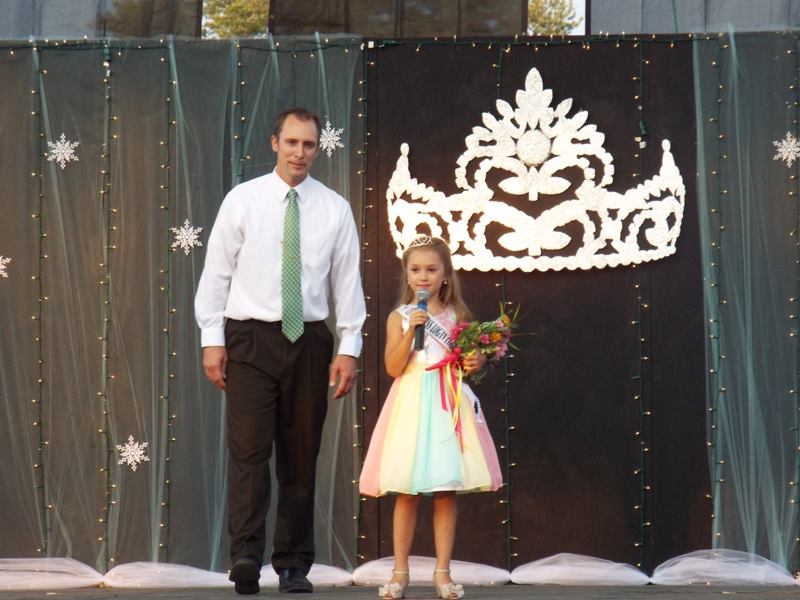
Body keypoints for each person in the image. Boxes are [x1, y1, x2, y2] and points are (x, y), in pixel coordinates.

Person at [195, 107, 366, 595]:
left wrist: (349, 346)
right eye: (292, 142)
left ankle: (293, 564)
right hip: (250, 337)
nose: (299, 153)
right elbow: (216, 274)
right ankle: (246, 557)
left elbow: (347, 282)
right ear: (275, 143)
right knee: (248, 452)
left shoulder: (334, 208)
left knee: (300, 455)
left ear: (317, 149)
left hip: (309, 340)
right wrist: (212, 339)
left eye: (308, 144)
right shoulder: (242, 200)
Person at [359, 236, 503, 600]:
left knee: (444, 489)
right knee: (407, 490)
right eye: (415, 269)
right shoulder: (399, 317)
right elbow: (393, 366)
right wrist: (411, 330)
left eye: (431, 269)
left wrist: (477, 360)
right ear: (406, 275)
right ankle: (399, 572)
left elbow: (465, 362)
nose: (423, 277)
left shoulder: (458, 316)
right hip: (411, 401)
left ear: (445, 275)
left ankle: (443, 572)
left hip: (445, 402)